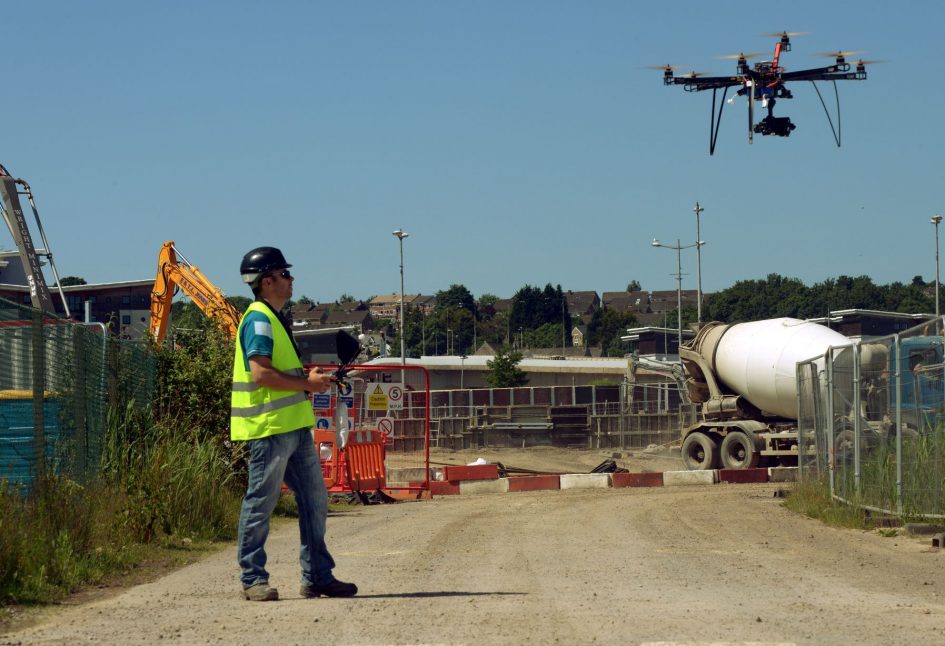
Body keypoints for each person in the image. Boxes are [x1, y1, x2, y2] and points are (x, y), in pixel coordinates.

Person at [231, 246, 357, 601]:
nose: (292, 279)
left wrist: (307, 376)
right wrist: (307, 384)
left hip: (293, 428)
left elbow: (276, 371)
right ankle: (253, 579)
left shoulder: (273, 318)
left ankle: (318, 576)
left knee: (315, 501)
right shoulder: (258, 319)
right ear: (266, 281)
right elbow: (260, 374)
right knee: (261, 502)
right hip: (269, 428)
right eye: (285, 274)